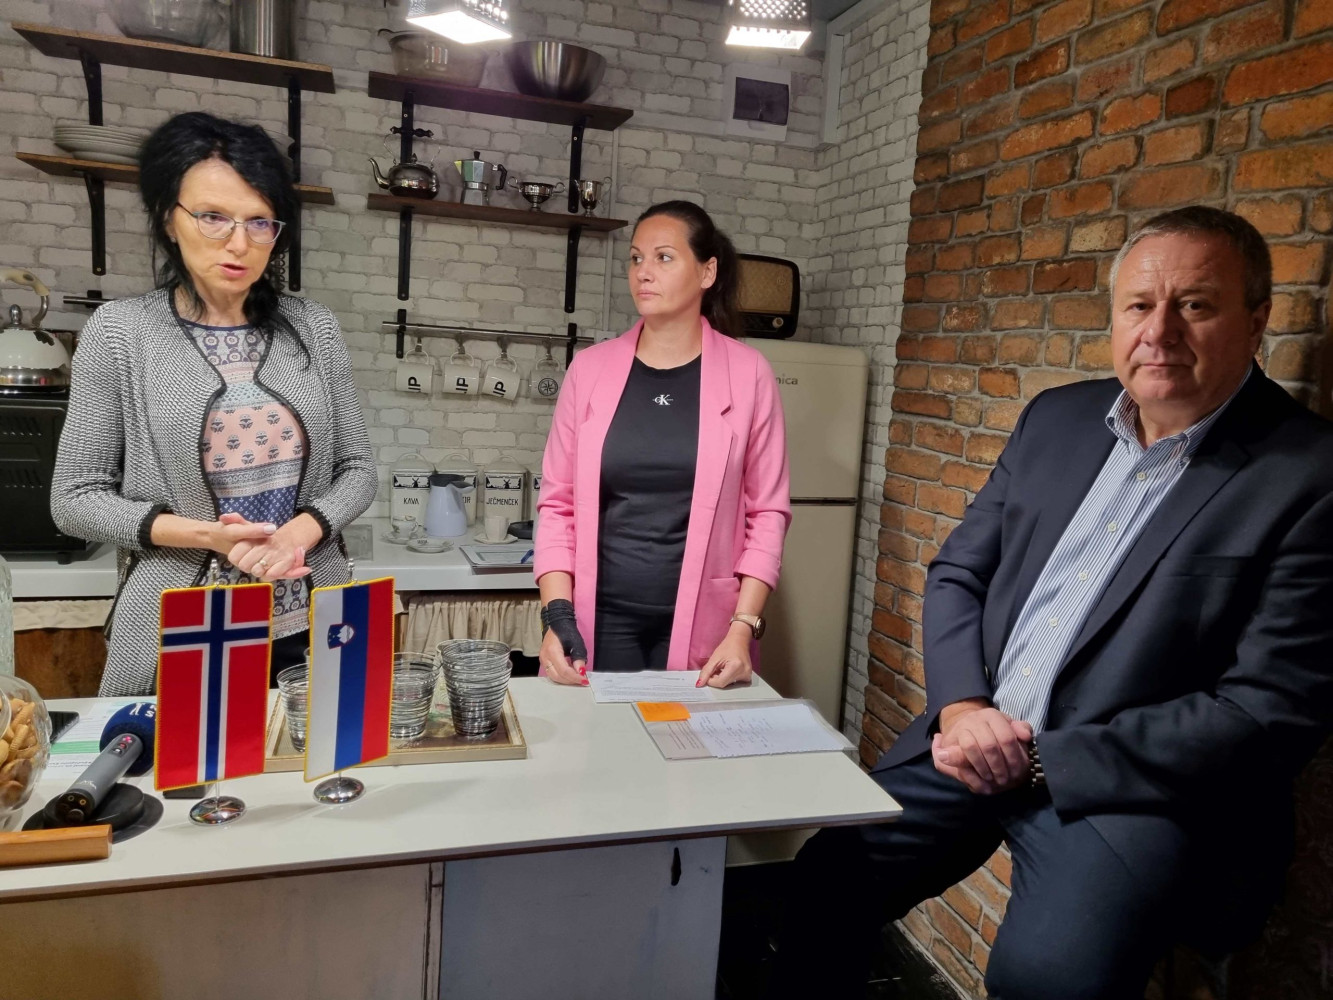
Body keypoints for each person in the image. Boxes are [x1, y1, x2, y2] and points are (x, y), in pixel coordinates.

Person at [774, 206, 1333, 999]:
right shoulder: (1057, 418)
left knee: (1049, 979)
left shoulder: (1306, 474)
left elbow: (1267, 712)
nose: (1159, 331)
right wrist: (964, 709)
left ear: (1256, 321)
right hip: (978, 737)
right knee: (825, 879)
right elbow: (957, 573)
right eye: (1138, 305)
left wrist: (1043, 758)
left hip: (1125, 787)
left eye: (1195, 305)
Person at [52, 112, 377, 696]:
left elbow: (358, 471)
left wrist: (295, 535)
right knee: (181, 781)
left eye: (260, 222)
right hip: (182, 626)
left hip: (312, 617)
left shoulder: (314, 328)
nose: (238, 243)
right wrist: (211, 537)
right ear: (167, 219)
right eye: (213, 217)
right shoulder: (122, 332)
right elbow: (74, 501)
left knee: (318, 773)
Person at [534, 201, 790, 686]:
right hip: (597, 621)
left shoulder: (749, 373)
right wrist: (557, 617)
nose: (643, 273)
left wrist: (743, 629)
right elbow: (557, 504)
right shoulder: (588, 371)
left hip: (709, 628)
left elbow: (768, 513)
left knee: (692, 756)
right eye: (635, 258)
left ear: (707, 271)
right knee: (600, 754)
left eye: (663, 258)